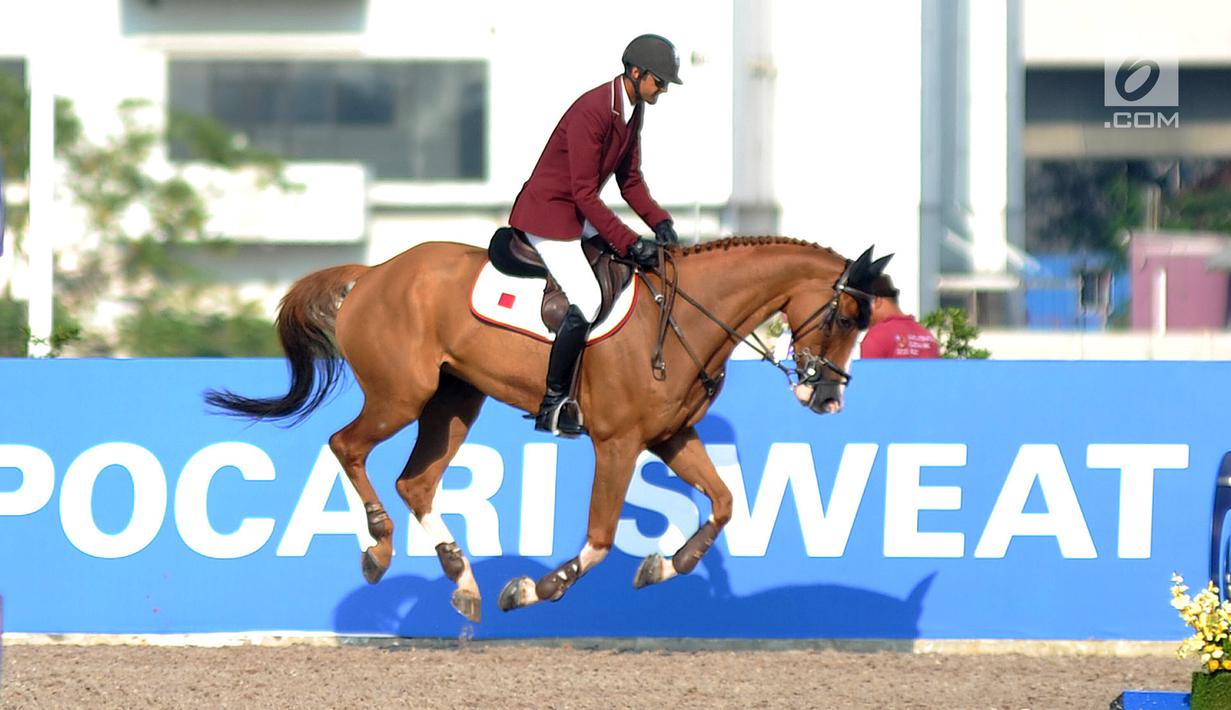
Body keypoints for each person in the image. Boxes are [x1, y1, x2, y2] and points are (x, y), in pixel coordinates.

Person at [509, 34, 683, 436]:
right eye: (660, 81)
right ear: (635, 73)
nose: (665, 89)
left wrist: (659, 221)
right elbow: (584, 193)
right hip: (548, 215)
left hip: (574, 212)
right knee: (587, 298)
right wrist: (629, 240)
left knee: (629, 270)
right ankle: (553, 402)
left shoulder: (633, 109)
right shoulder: (593, 110)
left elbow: (630, 180)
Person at [860, 274, 941, 359]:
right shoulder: (926, 336)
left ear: (877, 301)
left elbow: (869, 372)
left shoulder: (876, 336)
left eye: (863, 305)